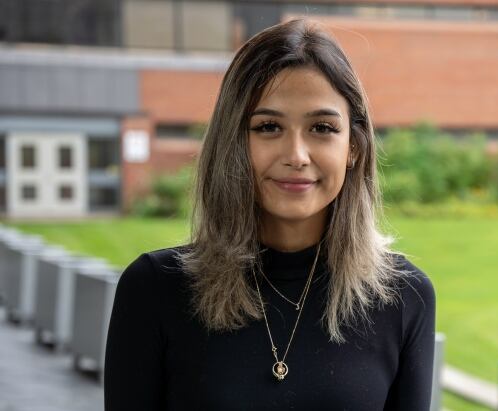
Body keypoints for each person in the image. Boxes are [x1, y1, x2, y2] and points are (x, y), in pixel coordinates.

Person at [103, 17, 436, 410]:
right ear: (233, 143)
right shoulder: (154, 291)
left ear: (354, 149)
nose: (296, 155)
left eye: (323, 127)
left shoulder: (403, 298)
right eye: (268, 127)